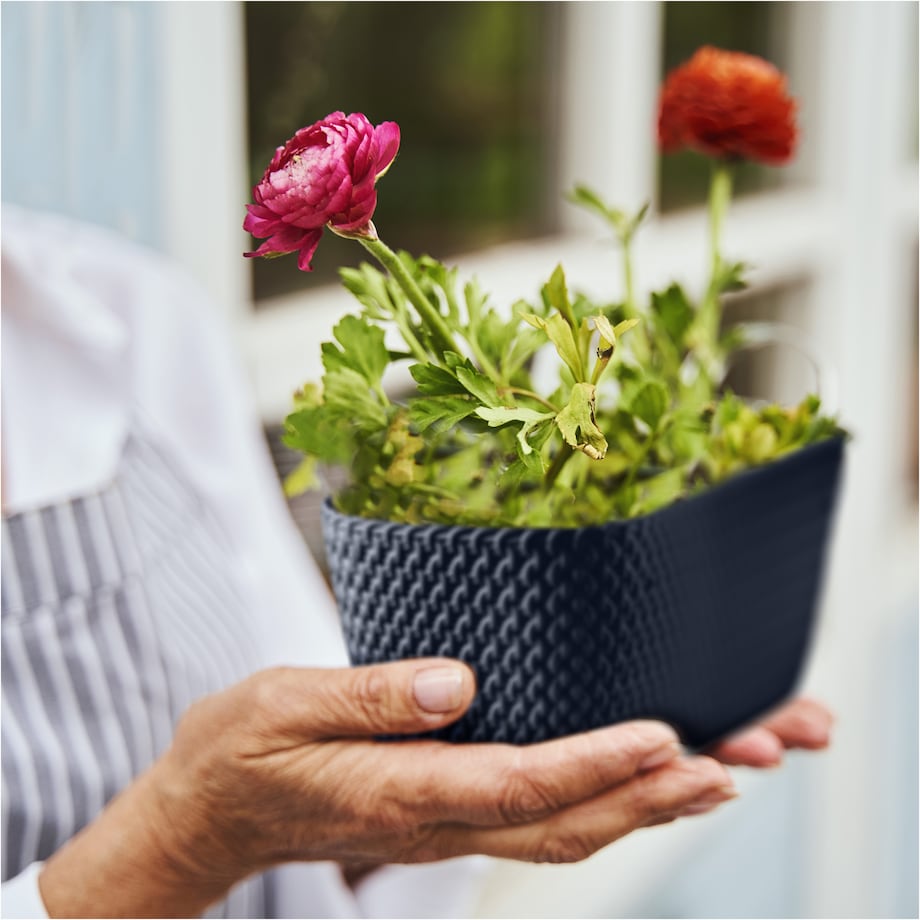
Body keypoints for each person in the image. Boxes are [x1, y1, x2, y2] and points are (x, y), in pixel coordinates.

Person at [1, 205, 834, 919]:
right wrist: (181, 841)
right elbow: (233, 809)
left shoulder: (128, 316)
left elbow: (315, 761)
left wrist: (404, 798)